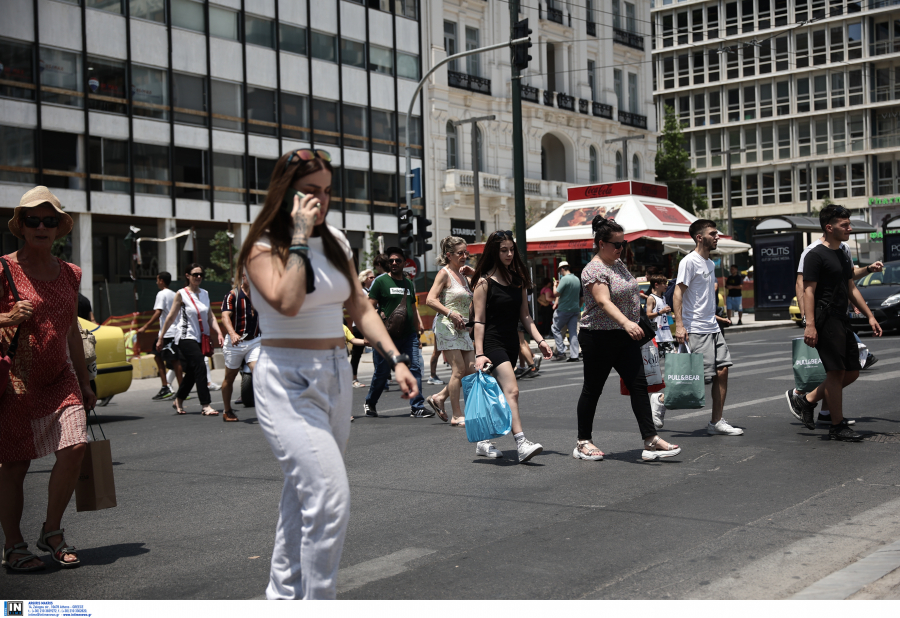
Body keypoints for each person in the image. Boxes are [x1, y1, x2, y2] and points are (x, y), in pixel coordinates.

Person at [239, 148, 417, 599]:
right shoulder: (261, 245)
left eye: (327, 192)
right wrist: (299, 234)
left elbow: (358, 304)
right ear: (286, 193)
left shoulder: (336, 239)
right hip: (285, 379)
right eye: (309, 192)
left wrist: (396, 359)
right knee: (328, 495)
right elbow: (288, 300)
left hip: (335, 375)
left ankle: (281, 597)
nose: (321, 201)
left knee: (303, 494)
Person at [0, 186, 97, 572]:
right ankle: (13, 545)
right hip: (17, 381)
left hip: (61, 378)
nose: (42, 226)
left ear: (59, 227)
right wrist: (8, 318)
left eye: (49, 220)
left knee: (74, 448)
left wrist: (86, 381)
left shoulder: (71, 273)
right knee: (15, 466)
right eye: (33, 220)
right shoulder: (4, 268)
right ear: (21, 226)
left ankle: (51, 532)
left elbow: (71, 328)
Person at [574, 217, 681, 462]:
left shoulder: (618, 263)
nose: (621, 248)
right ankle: (583, 442)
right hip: (599, 337)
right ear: (601, 243)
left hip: (625, 337)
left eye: (624, 243)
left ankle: (650, 439)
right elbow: (603, 300)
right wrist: (626, 322)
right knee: (593, 389)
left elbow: (625, 289)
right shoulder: (594, 269)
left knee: (638, 385)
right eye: (616, 244)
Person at [787, 205, 882, 441]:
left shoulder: (842, 252)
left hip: (842, 318)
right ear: (829, 227)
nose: (849, 228)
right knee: (836, 371)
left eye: (849, 223)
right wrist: (809, 324)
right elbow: (807, 290)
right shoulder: (814, 254)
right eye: (845, 225)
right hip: (824, 317)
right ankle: (837, 426)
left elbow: (850, 287)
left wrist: (869, 315)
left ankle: (806, 400)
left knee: (852, 371)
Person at [651, 219, 742, 437]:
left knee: (723, 371)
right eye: (713, 233)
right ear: (700, 237)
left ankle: (716, 421)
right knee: (696, 376)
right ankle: (661, 399)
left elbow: (703, 298)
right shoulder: (689, 262)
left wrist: (718, 319)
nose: (717, 236)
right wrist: (680, 326)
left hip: (712, 326)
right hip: (696, 328)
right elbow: (678, 294)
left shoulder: (710, 264)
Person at [471, 230, 553, 463]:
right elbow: (479, 321)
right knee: (512, 391)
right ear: (494, 253)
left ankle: (483, 442)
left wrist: (540, 340)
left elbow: (526, 317)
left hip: (511, 343)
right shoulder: (484, 283)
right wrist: (479, 353)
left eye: (511, 249)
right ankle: (521, 443)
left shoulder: (519, 281)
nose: (508, 254)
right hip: (491, 342)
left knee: (496, 395)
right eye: (503, 250)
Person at [363, 247, 428, 418]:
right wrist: (367, 334)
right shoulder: (380, 281)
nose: (393, 263)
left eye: (397, 260)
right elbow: (369, 307)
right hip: (385, 337)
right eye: (391, 260)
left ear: (404, 263)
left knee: (415, 368)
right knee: (382, 373)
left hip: (408, 336)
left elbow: (412, 309)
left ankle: (417, 407)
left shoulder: (408, 283)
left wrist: (417, 333)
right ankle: (370, 402)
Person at [155, 263, 225, 416]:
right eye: (195, 274)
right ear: (187, 276)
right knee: (200, 364)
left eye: (201, 274)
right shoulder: (181, 293)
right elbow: (171, 317)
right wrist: (161, 338)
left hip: (202, 337)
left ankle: (178, 399)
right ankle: (206, 404)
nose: (199, 277)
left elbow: (210, 315)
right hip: (186, 337)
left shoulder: (205, 293)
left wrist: (219, 332)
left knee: (193, 371)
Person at [424, 236, 475, 425]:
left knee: (470, 370)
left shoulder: (464, 275)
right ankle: (456, 415)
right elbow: (430, 299)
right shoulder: (443, 274)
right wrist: (451, 313)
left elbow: (485, 285)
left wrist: (474, 272)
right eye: (460, 253)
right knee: (458, 370)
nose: (464, 256)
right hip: (446, 325)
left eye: (466, 252)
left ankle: (439, 398)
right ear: (449, 255)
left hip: (462, 328)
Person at [219, 268, 261, 423]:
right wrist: (232, 333)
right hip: (234, 343)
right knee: (229, 377)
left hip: (254, 341)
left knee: (259, 371)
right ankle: (227, 410)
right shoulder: (233, 295)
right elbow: (224, 316)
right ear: (243, 277)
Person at [136, 271, 183, 400]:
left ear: (161, 281)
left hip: (169, 332)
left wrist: (145, 327)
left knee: (174, 360)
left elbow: (158, 312)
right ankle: (165, 386)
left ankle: (182, 390)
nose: (156, 282)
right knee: (157, 356)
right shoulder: (174, 294)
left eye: (157, 280)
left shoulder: (162, 294)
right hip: (166, 332)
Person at [349, 269, 376, 388]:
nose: (373, 279)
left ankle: (384, 377)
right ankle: (353, 378)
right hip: (359, 325)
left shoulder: (372, 291)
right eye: (371, 277)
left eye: (374, 277)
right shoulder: (361, 292)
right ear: (364, 279)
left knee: (377, 350)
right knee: (357, 353)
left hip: (371, 325)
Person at [551, 262, 581, 362]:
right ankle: (574, 355)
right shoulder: (577, 279)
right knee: (573, 333)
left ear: (562, 269)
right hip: (575, 309)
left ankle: (561, 350)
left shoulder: (564, 279)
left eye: (560, 270)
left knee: (555, 328)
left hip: (564, 310)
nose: (560, 272)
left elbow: (556, 293)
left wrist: (555, 285)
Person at [645, 275, 674, 357]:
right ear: (656, 285)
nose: (666, 286)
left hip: (667, 334)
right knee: (658, 362)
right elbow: (648, 315)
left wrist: (673, 316)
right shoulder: (651, 298)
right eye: (664, 284)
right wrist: (660, 312)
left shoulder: (664, 298)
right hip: (658, 336)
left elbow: (664, 315)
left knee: (672, 360)